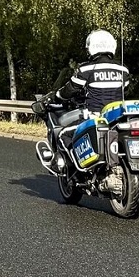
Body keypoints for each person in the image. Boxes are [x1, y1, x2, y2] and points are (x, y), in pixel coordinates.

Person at [40, 30, 129, 192]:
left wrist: (57, 96)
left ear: (92, 47)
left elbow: (71, 89)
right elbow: (123, 90)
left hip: (94, 117)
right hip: (117, 119)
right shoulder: (123, 69)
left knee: (63, 134)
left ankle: (70, 168)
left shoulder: (86, 69)